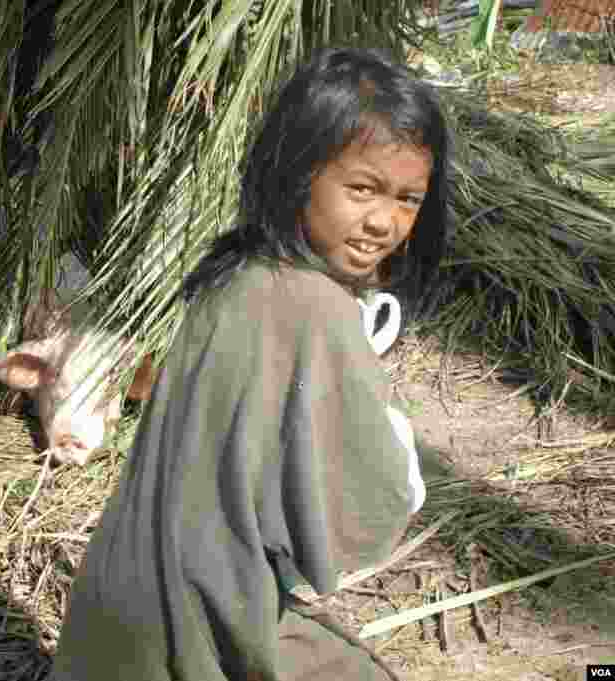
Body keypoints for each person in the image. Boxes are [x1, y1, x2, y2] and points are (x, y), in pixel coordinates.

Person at [48, 47, 452, 681]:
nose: (384, 222)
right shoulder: (316, 308)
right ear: (298, 176)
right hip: (198, 619)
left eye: (408, 199)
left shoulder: (235, 274)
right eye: (363, 189)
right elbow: (372, 509)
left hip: (117, 608)